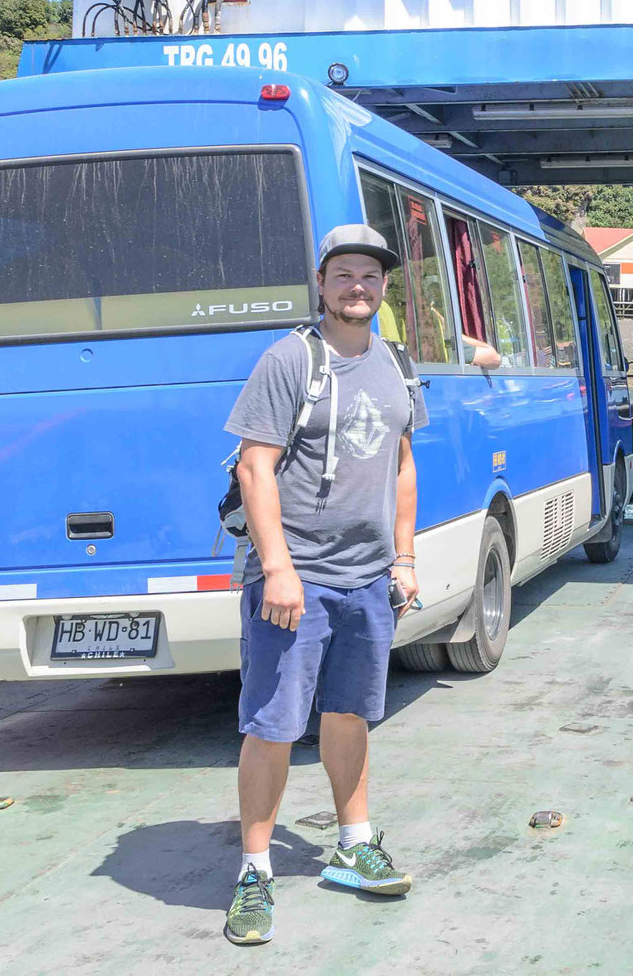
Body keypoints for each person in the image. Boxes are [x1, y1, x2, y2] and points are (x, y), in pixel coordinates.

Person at [222, 223, 428, 946]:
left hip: (369, 578)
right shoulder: (288, 361)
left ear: (382, 286)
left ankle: (353, 843)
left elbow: (402, 463)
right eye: (344, 274)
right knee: (274, 725)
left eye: (370, 276)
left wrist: (403, 559)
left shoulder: (395, 363)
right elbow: (255, 468)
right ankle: (254, 871)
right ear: (321, 282)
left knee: (350, 714)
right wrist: (277, 568)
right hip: (296, 579)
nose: (357, 287)